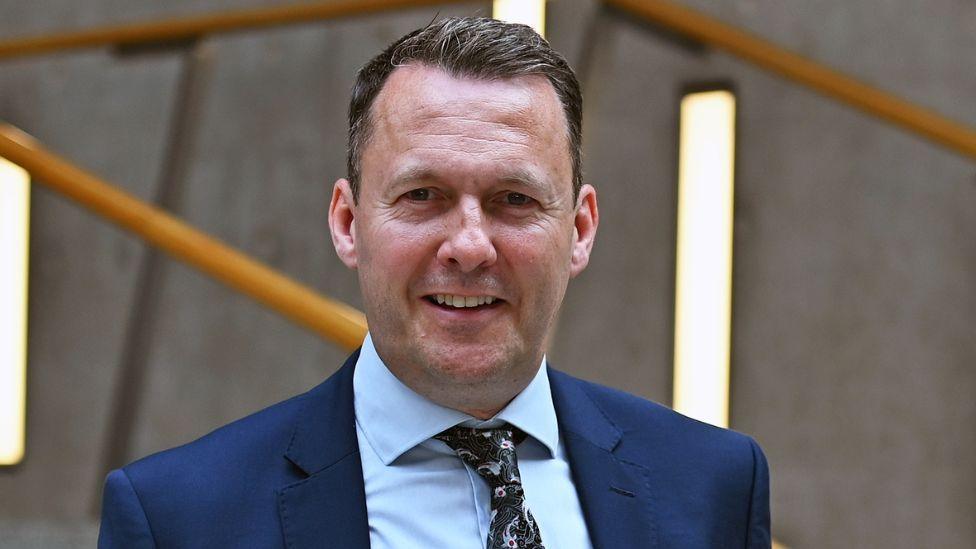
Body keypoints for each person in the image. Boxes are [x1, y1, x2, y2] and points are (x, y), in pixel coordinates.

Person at [98, 17, 770, 548]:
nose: (471, 245)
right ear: (347, 222)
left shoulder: (713, 487)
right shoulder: (180, 518)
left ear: (582, 228)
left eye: (514, 199)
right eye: (423, 194)